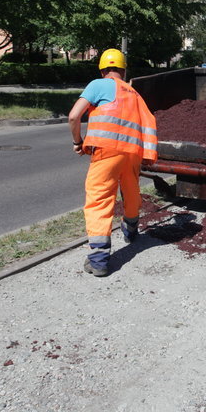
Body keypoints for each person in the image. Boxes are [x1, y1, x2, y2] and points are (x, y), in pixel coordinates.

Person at [68, 48, 158, 277]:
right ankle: (131, 230)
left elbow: (73, 116)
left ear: (102, 69)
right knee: (130, 191)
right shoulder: (135, 94)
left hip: (106, 152)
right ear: (123, 69)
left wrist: (78, 141)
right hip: (132, 152)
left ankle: (98, 260)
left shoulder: (99, 85)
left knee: (99, 199)